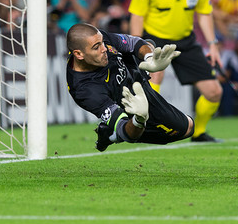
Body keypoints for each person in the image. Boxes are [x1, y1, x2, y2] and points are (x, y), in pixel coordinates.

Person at [129, 0, 224, 142]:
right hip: (154, 38)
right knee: (156, 76)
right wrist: (134, 45)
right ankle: (144, 127)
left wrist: (212, 44)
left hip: (185, 40)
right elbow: (137, 14)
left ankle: (198, 133)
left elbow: (204, 13)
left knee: (214, 92)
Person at [66, 23, 194, 151]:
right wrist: (139, 118)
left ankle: (111, 133)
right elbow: (126, 130)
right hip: (130, 105)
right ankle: (111, 134)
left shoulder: (98, 38)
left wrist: (149, 58)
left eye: (102, 43)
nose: (104, 48)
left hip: (137, 79)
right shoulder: (85, 91)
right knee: (187, 128)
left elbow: (134, 43)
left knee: (148, 43)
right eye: (96, 47)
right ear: (79, 54)